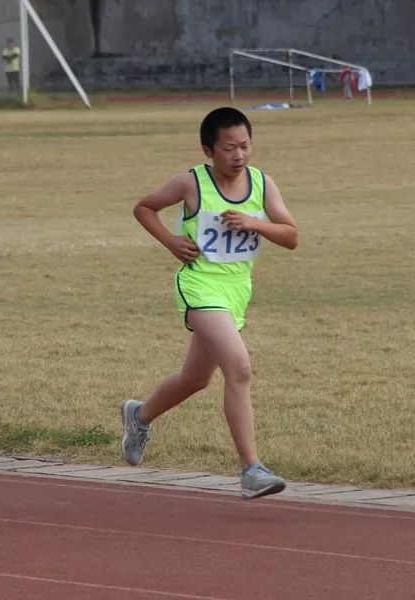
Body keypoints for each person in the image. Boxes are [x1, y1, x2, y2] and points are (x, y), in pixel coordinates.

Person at [121, 107, 298, 499]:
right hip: (200, 286)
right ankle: (252, 469)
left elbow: (291, 235)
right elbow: (144, 207)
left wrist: (255, 223)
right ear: (208, 150)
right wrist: (171, 242)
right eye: (229, 148)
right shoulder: (191, 184)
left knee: (196, 379)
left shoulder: (262, 183)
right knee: (239, 368)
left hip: (237, 290)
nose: (239, 155)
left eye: (245, 145)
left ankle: (140, 415)